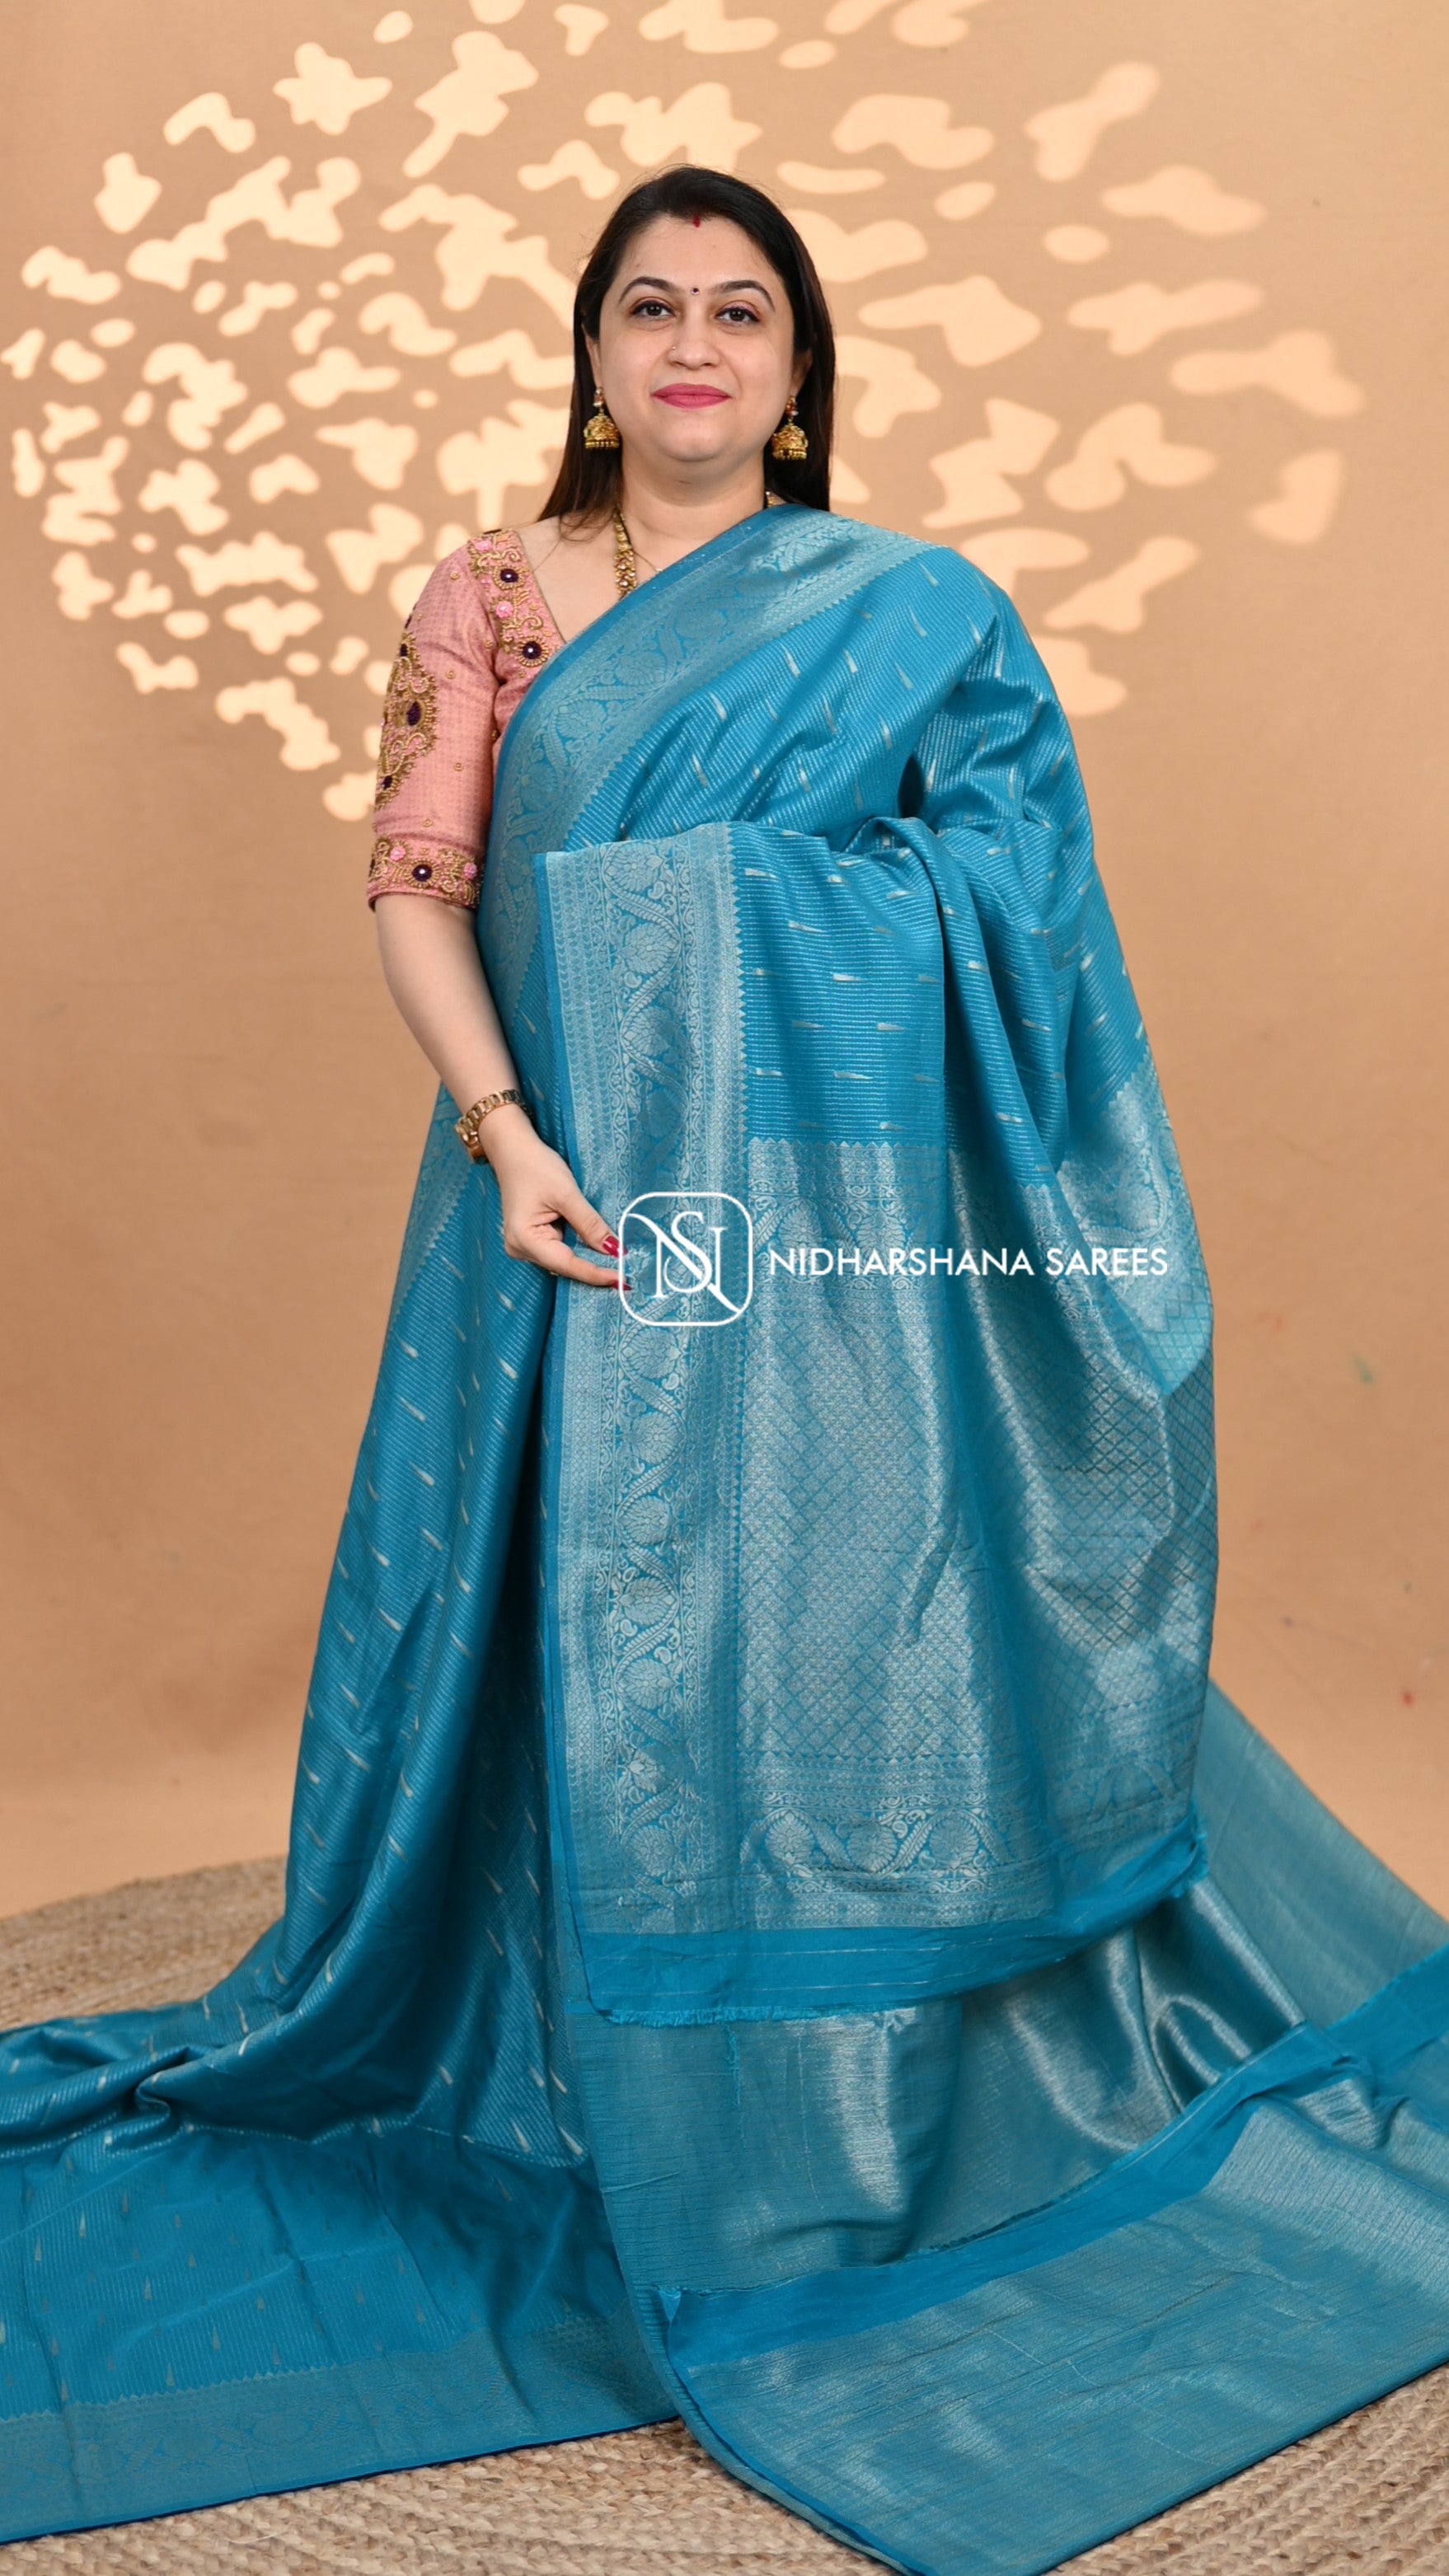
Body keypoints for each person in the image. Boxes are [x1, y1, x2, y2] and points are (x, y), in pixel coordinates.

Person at [2, 166, 1447, 2576]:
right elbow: (417, 885)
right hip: (559, 1204)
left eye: (741, 310)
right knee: (570, 1612)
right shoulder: (491, 594)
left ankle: (838, 2074)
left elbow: (1020, 912)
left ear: (797, 366)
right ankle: (580, 2052)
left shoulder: (908, 613)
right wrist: (508, 1132)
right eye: (650, 306)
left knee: (814, 1606)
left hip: (829, 1239)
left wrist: (724, 919)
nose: (694, 343)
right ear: (591, 354)